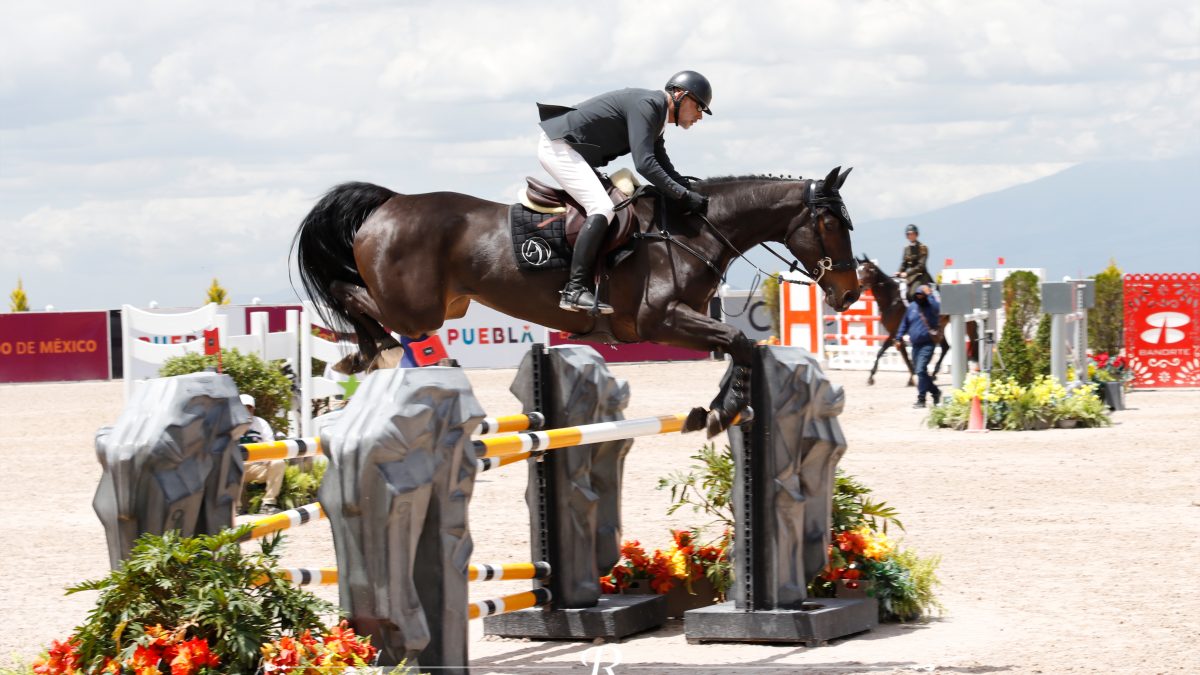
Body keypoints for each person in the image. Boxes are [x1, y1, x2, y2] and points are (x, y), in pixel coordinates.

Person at [536, 70, 713, 314]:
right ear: (681, 95)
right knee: (602, 207)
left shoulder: (657, 115)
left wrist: (689, 189)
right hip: (559, 148)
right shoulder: (649, 105)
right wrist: (682, 195)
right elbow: (644, 164)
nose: (699, 116)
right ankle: (574, 289)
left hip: (571, 151)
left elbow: (662, 163)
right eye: (699, 107)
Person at [895, 285, 942, 408]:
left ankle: (921, 399)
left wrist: (930, 293)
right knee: (921, 372)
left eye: (922, 295)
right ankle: (935, 392)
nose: (919, 297)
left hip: (928, 344)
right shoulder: (911, 307)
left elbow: (938, 306)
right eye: (918, 295)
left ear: (926, 296)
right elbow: (904, 324)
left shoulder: (932, 306)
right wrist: (898, 337)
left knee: (920, 370)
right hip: (915, 345)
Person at [238, 393, 284, 515]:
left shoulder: (261, 423)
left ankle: (268, 504)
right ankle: (235, 508)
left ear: (253, 409)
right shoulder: (230, 424)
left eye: (249, 407)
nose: (247, 410)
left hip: (257, 467)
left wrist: (265, 460)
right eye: (243, 407)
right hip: (237, 467)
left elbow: (271, 445)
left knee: (278, 462)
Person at [897, 223, 933, 301]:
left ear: (916, 235)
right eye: (909, 234)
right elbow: (904, 263)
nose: (911, 236)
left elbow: (921, 266)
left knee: (913, 294)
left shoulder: (923, 248)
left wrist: (907, 273)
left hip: (921, 276)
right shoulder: (906, 248)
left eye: (912, 234)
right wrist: (899, 272)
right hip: (909, 277)